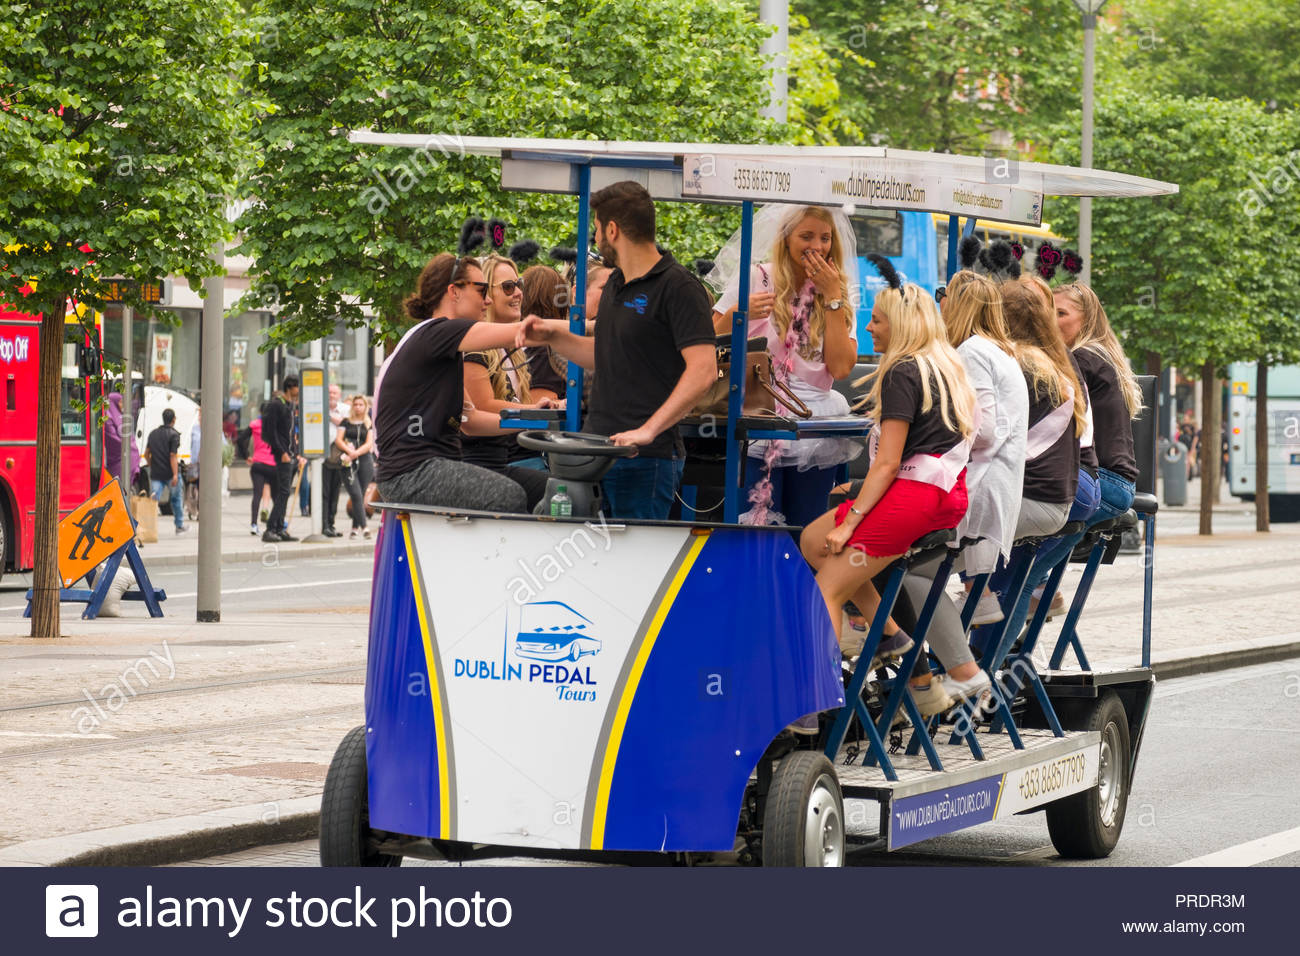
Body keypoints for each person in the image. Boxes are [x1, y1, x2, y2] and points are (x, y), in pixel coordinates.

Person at [794, 282, 976, 734]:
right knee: (813, 540)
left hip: (915, 494)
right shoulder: (943, 363)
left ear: (900, 324)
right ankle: (892, 634)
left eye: (876, 319)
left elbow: (889, 461)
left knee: (828, 587)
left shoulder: (902, 371)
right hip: (936, 493)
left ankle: (811, 707)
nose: (869, 328)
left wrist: (853, 517)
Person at [530, 181, 717, 520]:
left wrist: (649, 429)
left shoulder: (679, 287)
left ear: (612, 230)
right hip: (596, 453)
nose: (596, 239)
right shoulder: (616, 283)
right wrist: (549, 336)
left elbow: (703, 370)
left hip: (645, 459)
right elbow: (603, 355)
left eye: (597, 230)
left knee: (638, 568)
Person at [891, 271, 1029, 713]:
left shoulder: (970, 351)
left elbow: (985, 429)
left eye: (943, 296)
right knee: (916, 571)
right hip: (994, 488)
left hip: (979, 489)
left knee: (907, 572)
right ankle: (972, 618)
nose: (939, 304)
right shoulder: (999, 351)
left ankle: (960, 673)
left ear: (958, 303)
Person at [708, 204, 860, 528]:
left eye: (825, 238)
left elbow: (842, 368)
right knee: (754, 525)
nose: (817, 247)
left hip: (814, 424)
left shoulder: (839, 291)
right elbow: (707, 344)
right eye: (807, 236)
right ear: (786, 238)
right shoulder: (756, 278)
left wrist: (833, 298)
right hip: (758, 416)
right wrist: (739, 314)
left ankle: (800, 581)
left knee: (807, 526)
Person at [372, 252, 548, 512]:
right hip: (411, 473)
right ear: (453, 292)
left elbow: (472, 420)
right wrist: (587, 329)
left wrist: (539, 416)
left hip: (419, 468)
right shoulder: (439, 331)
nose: (487, 300)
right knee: (508, 496)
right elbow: (520, 333)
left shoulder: (438, 342)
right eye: (481, 290)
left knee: (549, 490)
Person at [969, 279, 1089, 649]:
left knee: (931, 533)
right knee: (1008, 579)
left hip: (1042, 494)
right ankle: (978, 639)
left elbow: (984, 435)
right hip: (1067, 493)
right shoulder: (1056, 359)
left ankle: (966, 663)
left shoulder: (1009, 362)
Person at [460, 254, 554, 510]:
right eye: (508, 287)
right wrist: (537, 411)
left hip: (504, 459)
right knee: (562, 493)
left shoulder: (510, 350)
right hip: (483, 464)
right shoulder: (474, 347)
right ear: (486, 295)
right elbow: (482, 406)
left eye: (519, 284)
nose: (518, 293)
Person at [263, 375, 300, 542]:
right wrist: (282, 452)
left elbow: (291, 432)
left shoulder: (290, 406)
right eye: (298, 387)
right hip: (283, 456)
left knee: (285, 492)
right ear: (290, 387)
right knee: (283, 491)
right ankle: (271, 528)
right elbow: (269, 432)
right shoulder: (276, 405)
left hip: (291, 455)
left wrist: (296, 452)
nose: (299, 391)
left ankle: (279, 528)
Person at [333, 394, 376, 538]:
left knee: (361, 495)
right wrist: (349, 451)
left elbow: (369, 443)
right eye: (355, 404)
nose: (358, 407)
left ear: (365, 407)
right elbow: (339, 440)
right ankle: (365, 528)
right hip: (347, 462)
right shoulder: (346, 422)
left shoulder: (368, 423)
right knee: (356, 494)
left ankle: (354, 528)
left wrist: (356, 452)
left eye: (361, 404)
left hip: (365, 461)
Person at [143, 408, 186, 535]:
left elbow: (146, 454)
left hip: (156, 474)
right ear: (173, 420)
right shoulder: (174, 435)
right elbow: (173, 456)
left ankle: (147, 527)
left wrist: (152, 465)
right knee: (176, 499)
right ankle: (179, 526)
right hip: (169, 474)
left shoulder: (153, 434)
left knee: (153, 500)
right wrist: (174, 474)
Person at [248, 402, 277, 536]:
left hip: (257, 463)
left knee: (257, 495)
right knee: (277, 496)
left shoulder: (254, 425)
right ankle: (277, 522)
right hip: (272, 464)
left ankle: (254, 524)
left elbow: (241, 439)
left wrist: (246, 456)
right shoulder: (275, 426)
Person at [105, 391, 141, 491]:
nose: (122, 405)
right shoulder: (107, 417)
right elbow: (113, 440)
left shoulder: (124, 417)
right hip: (116, 461)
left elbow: (131, 437)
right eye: (120, 402)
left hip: (128, 460)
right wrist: (129, 447)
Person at [185, 403, 201, 521]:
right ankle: (191, 509)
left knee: (202, 488)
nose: (200, 416)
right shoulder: (194, 428)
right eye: (200, 414)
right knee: (192, 487)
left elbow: (223, 444)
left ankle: (200, 511)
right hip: (195, 464)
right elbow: (190, 445)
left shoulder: (214, 427)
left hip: (206, 466)